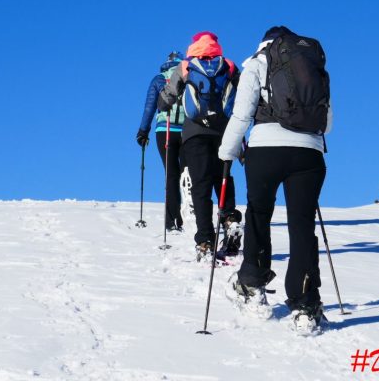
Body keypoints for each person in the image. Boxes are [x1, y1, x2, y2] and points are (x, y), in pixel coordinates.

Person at [218, 25, 332, 333]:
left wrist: (226, 153)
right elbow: (328, 122)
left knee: (258, 215)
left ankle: (252, 287)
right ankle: (306, 305)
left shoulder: (257, 62)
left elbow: (241, 115)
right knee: (302, 226)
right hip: (309, 154)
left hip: (265, 150)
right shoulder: (313, 63)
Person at [158, 32, 242, 260]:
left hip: (194, 133)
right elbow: (244, 98)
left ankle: (205, 240)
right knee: (223, 179)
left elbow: (167, 97)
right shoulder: (229, 65)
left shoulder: (186, 66)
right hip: (224, 132)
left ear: (195, 45)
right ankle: (230, 219)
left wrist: (163, 104)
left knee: (200, 186)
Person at [136, 51, 186, 231]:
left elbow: (149, 107)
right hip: (188, 131)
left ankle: (172, 220)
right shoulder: (189, 76)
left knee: (171, 174)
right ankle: (191, 215)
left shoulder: (158, 79)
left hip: (164, 130)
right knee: (188, 174)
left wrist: (143, 131)